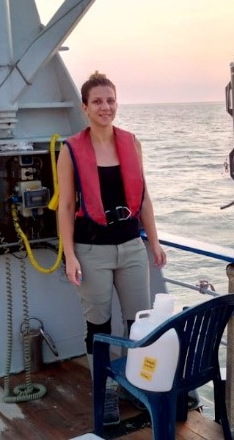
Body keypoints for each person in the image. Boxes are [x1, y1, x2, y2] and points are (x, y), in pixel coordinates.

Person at [56, 71, 167, 425]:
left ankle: (134, 385)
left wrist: (155, 241)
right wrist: (70, 255)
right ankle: (104, 393)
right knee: (99, 328)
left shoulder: (132, 143)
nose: (106, 107)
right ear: (84, 107)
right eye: (98, 101)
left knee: (139, 324)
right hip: (92, 251)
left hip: (132, 247)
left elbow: (144, 198)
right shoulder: (70, 150)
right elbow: (65, 207)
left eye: (110, 100)